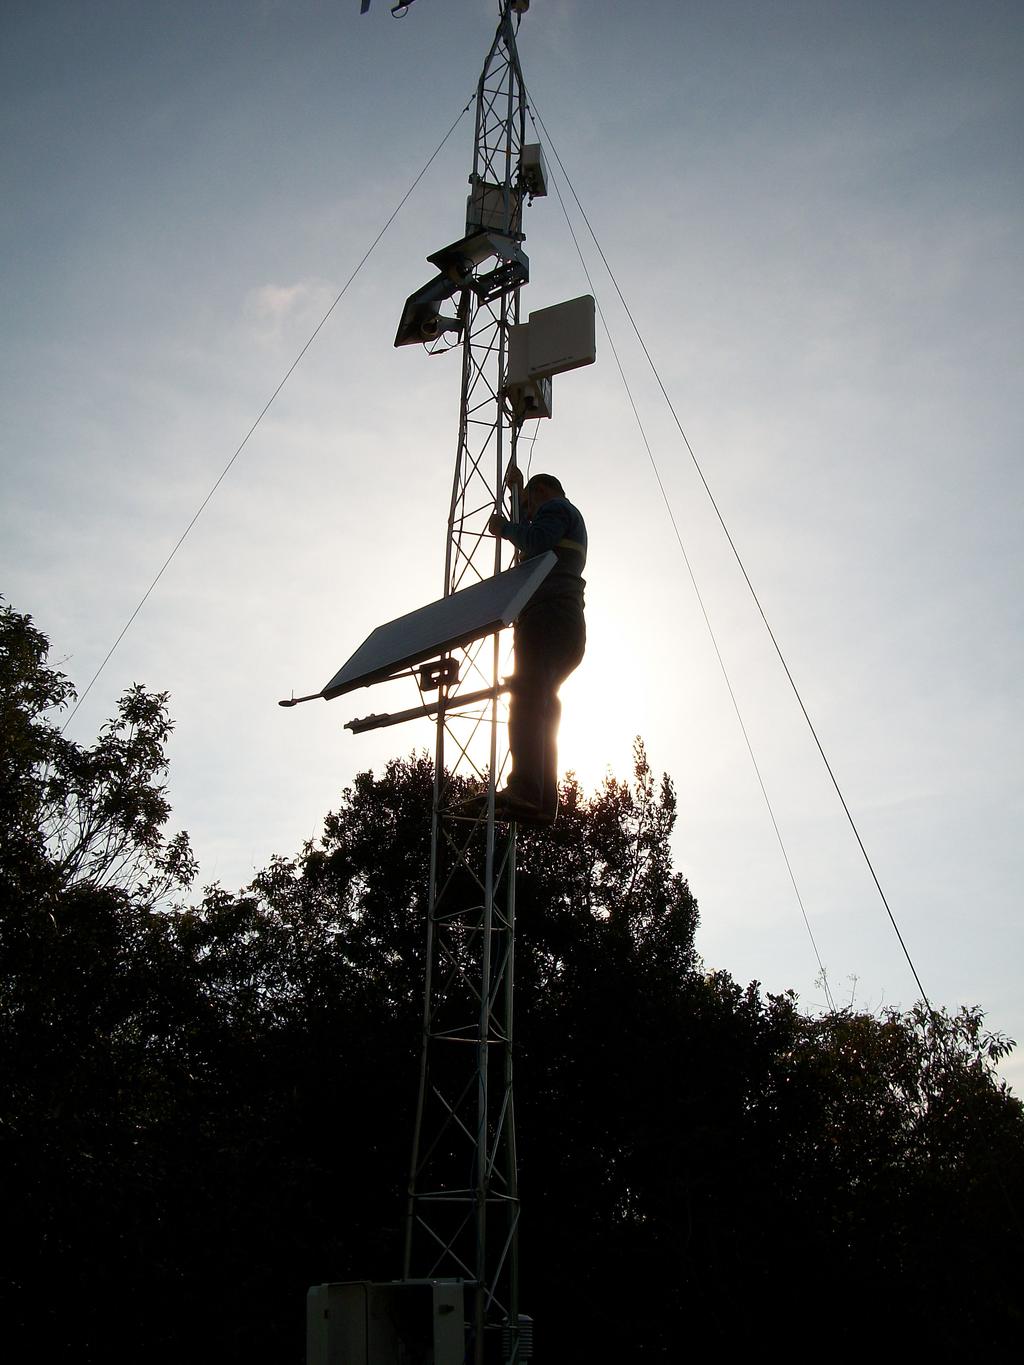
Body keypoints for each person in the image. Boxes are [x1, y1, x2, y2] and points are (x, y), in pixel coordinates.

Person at [487, 467, 587, 822]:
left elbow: (536, 539)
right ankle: (542, 802)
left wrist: (505, 529)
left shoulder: (556, 508)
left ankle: (527, 788)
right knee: (544, 703)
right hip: (566, 627)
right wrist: (516, 488)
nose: (527, 514)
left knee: (527, 694)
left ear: (543, 492)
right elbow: (537, 538)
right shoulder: (565, 517)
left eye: (528, 506)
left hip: (548, 619)